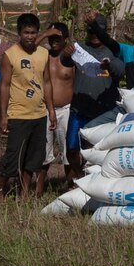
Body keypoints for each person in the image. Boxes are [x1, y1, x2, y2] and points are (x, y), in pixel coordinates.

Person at [0, 13, 56, 198]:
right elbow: (4, 86)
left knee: (33, 158)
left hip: (39, 114)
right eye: (26, 32)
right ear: (19, 33)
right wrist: (3, 115)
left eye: (33, 32)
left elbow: (46, 83)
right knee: (13, 156)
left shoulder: (43, 54)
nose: (29, 36)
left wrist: (51, 110)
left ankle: (24, 194)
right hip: (18, 114)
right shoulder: (10, 55)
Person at [63, 12, 125, 180]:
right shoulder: (80, 48)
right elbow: (64, 61)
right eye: (91, 31)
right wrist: (67, 53)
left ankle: (97, 180)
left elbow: (120, 70)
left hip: (104, 111)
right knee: (72, 148)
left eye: (99, 32)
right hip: (79, 109)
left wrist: (109, 66)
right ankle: (80, 175)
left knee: (98, 150)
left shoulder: (113, 50)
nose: (95, 36)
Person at [40, 22, 75, 190]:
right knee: (43, 153)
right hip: (44, 110)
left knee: (68, 152)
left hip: (66, 110)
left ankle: (70, 186)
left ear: (65, 40)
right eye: (51, 37)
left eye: (58, 37)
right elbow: (25, 47)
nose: (54, 41)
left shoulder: (72, 58)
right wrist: (46, 33)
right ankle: (38, 189)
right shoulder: (41, 55)